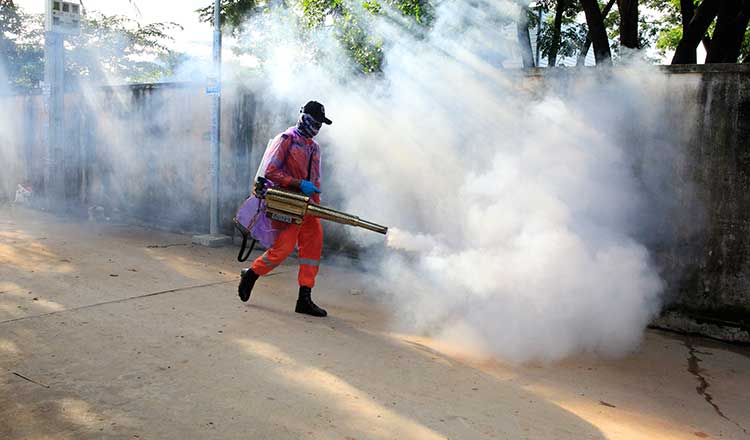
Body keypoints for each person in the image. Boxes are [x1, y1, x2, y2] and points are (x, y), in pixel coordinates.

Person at [238, 101, 332, 317]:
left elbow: (315, 179)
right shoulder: (287, 139)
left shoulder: (314, 147)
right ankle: (251, 274)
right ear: (305, 118)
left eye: (321, 124)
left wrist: (315, 204)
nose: (317, 127)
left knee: (313, 247)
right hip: (287, 202)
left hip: (306, 205)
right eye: (315, 121)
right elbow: (271, 171)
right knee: (284, 249)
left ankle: (304, 298)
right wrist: (298, 183)